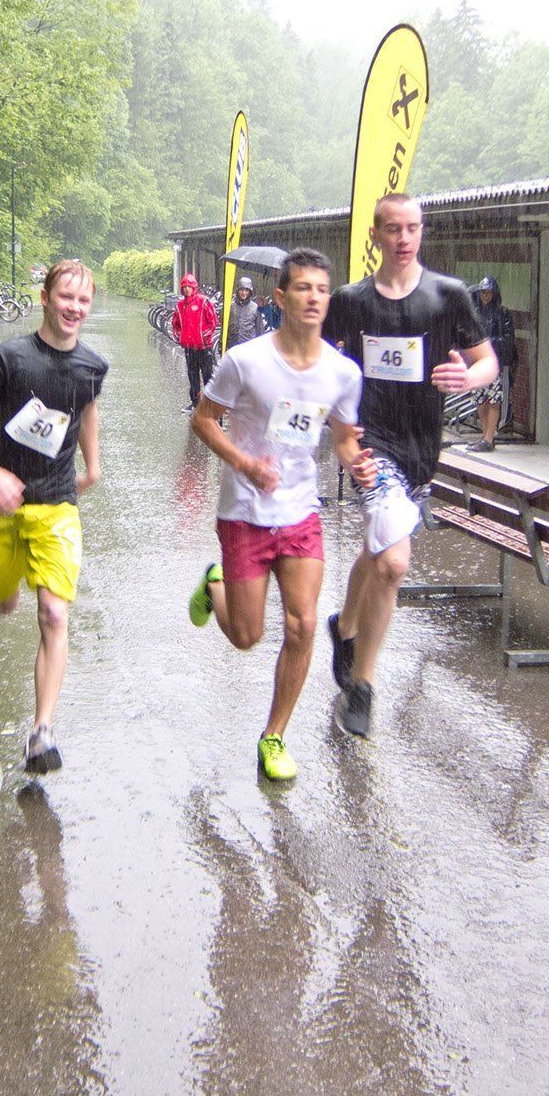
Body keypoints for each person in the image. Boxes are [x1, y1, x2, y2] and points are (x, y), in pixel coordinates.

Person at [185, 248, 371, 782]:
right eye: (303, 288)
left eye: (322, 289)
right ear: (281, 297)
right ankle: (213, 584)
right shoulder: (245, 361)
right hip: (244, 512)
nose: (314, 298)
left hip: (299, 512)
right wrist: (244, 462)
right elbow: (203, 421)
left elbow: (342, 439)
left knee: (304, 624)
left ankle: (273, 737)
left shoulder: (342, 372)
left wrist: (360, 466)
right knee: (247, 636)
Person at [322, 193, 498, 738]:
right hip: (374, 444)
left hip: (423, 450)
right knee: (395, 562)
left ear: (423, 232)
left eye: (413, 228)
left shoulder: (448, 296)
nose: (404, 239)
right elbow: (326, 375)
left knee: (378, 550)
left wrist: (469, 379)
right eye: (393, 229)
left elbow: (488, 360)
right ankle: (363, 687)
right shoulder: (351, 301)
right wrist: (342, 439)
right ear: (375, 235)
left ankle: (345, 625)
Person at [0, 260, 106, 775]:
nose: (74, 308)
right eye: (66, 297)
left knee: (54, 614)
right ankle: (0, 566)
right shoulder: (9, 357)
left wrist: (93, 464)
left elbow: (86, 409)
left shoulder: (91, 366)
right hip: (2, 505)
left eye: (83, 300)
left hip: (57, 504)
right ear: (45, 297)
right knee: (3, 603)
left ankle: (42, 732)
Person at [468, 276, 516, 454]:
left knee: (494, 400)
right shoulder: (476, 314)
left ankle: (489, 437)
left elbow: (508, 340)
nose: (485, 296)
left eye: (488, 293)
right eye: (483, 293)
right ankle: (486, 435)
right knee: (480, 400)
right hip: (478, 363)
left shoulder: (503, 314)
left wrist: (489, 343)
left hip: (495, 362)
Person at [172, 272, 219, 409]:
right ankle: (195, 403)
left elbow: (213, 321)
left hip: (204, 347)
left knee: (207, 376)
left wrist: (204, 337)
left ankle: (210, 405)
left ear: (194, 287)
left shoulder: (203, 301)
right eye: (184, 287)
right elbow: (175, 323)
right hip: (189, 347)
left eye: (189, 286)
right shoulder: (180, 305)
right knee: (192, 376)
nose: (187, 289)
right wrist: (180, 336)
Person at [225, 274, 265, 349]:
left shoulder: (255, 307)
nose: (244, 293)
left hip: (248, 346)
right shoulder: (231, 306)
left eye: (246, 290)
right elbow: (225, 327)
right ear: (237, 290)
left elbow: (260, 329)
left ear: (250, 292)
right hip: (232, 346)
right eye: (241, 290)